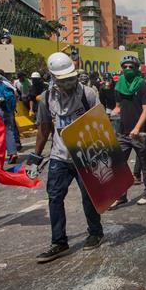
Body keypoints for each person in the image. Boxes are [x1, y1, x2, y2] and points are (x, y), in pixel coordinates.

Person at [27, 52, 104, 263]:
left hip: (84, 154)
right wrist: (35, 156)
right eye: (64, 79)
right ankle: (59, 242)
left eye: (71, 77)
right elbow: (44, 129)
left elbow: (100, 124)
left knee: (88, 196)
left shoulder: (88, 94)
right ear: (52, 77)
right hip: (59, 156)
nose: (69, 82)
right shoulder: (46, 99)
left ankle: (95, 232)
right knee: (54, 197)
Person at [109, 55, 146, 208]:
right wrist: (113, 112)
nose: (128, 69)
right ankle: (120, 195)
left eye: (131, 67)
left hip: (141, 133)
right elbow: (118, 106)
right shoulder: (119, 86)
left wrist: (137, 128)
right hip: (123, 132)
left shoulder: (144, 87)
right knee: (117, 164)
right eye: (125, 67)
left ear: (137, 69)